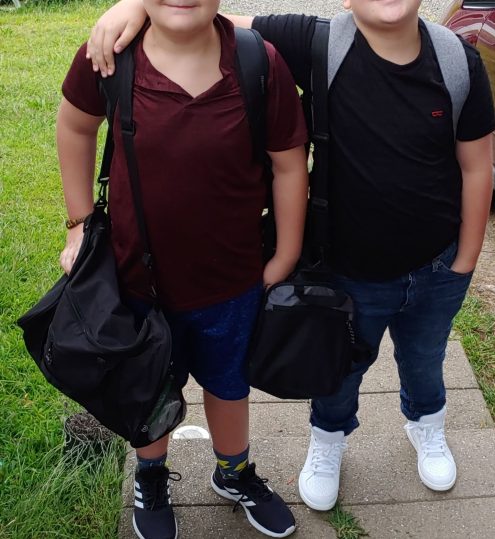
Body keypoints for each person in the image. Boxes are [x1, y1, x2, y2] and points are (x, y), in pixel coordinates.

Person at [87, 0, 495, 515]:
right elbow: (206, 18)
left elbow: (476, 165)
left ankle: (427, 426)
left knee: (425, 356)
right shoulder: (317, 43)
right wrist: (133, 7)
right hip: (348, 269)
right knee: (339, 366)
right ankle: (328, 440)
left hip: (436, 266)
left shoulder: (458, 61)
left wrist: (465, 260)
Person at [57, 0, 309, 536]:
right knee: (147, 387)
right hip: (136, 283)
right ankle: (150, 476)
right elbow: (76, 126)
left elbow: (289, 162)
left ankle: (233, 472)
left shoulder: (257, 62)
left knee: (229, 385)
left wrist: (286, 253)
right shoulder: (111, 58)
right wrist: (79, 223)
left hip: (232, 283)